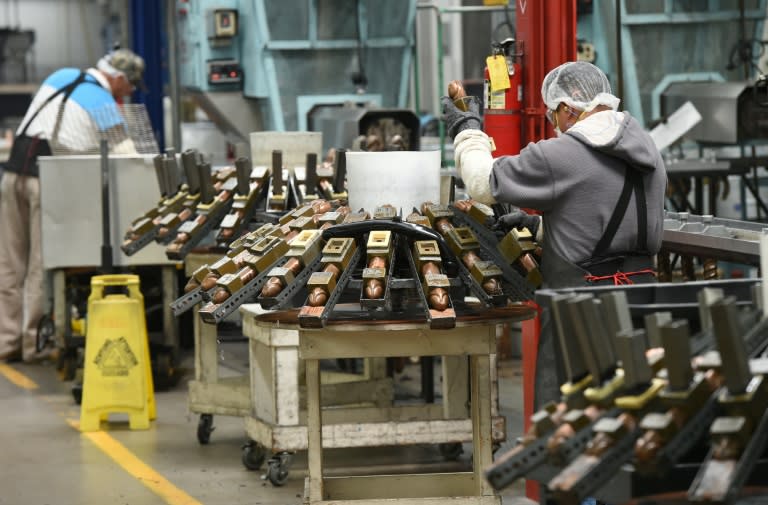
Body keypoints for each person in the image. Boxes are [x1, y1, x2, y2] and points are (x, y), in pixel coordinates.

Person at [442, 61, 667, 289]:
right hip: (643, 295)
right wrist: (538, 227)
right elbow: (601, 221)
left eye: (553, 114)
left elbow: (481, 181)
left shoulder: (560, 154)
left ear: (568, 108)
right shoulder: (647, 148)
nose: (555, 124)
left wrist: (466, 128)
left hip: (584, 306)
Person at [0, 47, 145, 363]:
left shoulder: (60, 76)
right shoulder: (104, 103)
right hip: (45, 181)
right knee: (40, 264)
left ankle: (6, 343)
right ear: (118, 78)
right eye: (130, 85)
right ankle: (32, 346)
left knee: (10, 263)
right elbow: (129, 156)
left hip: (12, 175)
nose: (130, 92)